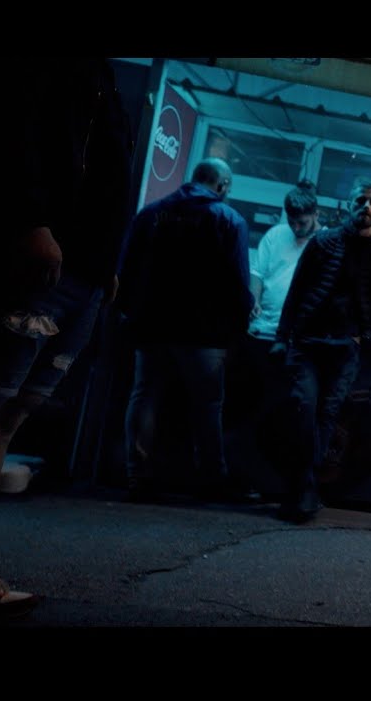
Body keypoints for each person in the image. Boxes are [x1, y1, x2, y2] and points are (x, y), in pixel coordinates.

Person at [0, 58, 133, 621]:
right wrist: (33, 221)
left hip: (87, 273)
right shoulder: (53, 67)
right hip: (53, 260)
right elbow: (21, 137)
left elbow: (109, 177)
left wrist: (108, 264)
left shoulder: (105, 77)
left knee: (11, 414)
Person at [120, 158, 253, 502]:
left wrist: (129, 315)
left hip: (152, 326)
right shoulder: (228, 219)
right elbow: (238, 283)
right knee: (207, 406)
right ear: (222, 185)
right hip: (204, 332)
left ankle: (137, 476)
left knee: (145, 396)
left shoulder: (151, 213)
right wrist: (239, 327)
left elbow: (127, 268)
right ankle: (211, 479)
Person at [270, 183, 371, 523]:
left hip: (344, 347)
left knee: (325, 415)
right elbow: (297, 291)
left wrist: (366, 338)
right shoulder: (323, 242)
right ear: (348, 204)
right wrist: (283, 336)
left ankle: (302, 489)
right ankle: (304, 487)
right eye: (361, 200)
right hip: (309, 342)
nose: (366, 206)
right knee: (304, 409)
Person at [250, 180, 320, 339]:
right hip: (263, 325)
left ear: (316, 215)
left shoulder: (326, 242)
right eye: (291, 222)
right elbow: (257, 272)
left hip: (300, 334)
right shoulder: (275, 234)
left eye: (302, 223)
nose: (296, 228)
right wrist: (254, 300)